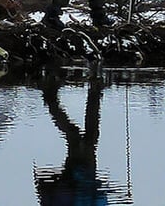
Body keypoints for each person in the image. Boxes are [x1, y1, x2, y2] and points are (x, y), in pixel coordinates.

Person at [35, 62, 115, 205]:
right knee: (83, 135)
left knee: (78, 135)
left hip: (78, 173)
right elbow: (99, 198)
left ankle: (53, 97)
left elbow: (98, 197)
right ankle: (92, 91)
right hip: (81, 173)